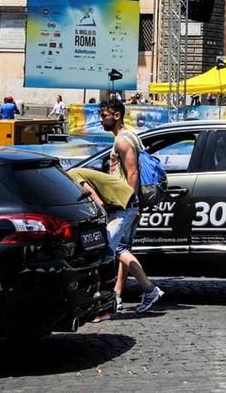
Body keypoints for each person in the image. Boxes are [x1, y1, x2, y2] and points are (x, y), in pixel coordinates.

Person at [101, 99, 163, 313]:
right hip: (129, 203)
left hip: (124, 203)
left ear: (116, 115)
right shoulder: (128, 137)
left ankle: (149, 288)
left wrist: (130, 204)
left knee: (114, 246)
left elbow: (133, 173)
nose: (101, 120)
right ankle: (117, 295)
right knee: (124, 249)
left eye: (104, 115)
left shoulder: (123, 140)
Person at [66, 165, 138, 321]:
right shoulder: (75, 173)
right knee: (110, 253)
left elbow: (98, 202)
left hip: (124, 207)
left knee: (105, 255)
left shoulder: (72, 176)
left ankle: (105, 307)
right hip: (125, 204)